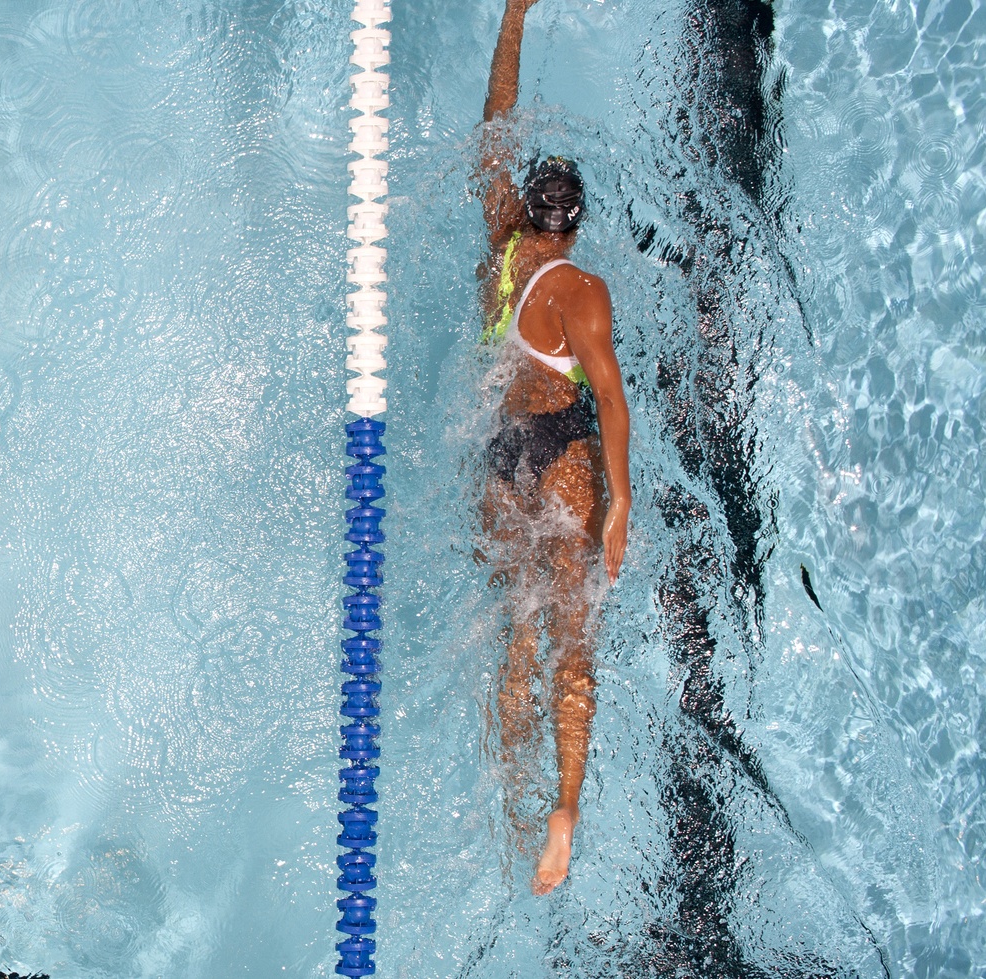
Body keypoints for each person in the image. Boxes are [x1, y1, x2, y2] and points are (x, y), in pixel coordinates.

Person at [475, 0, 631, 895]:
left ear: (530, 206)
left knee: (517, 633)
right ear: (577, 223)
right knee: (575, 641)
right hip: (564, 455)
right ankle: (564, 807)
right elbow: (607, 397)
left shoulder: (500, 238)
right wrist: (620, 499)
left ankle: (511, 799)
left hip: (499, 453)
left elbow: (493, 126)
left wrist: (513, 18)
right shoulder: (580, 289)